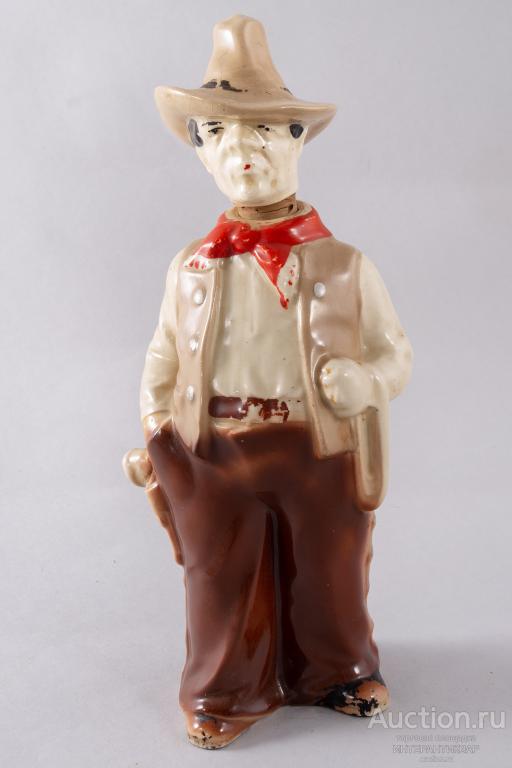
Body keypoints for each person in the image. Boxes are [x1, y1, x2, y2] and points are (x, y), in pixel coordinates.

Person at [124, 14, 412, 750]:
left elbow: (396, 354)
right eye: (218, 132)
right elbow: (161, 360)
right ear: (202, 154)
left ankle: (337, 671)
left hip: (319, 444)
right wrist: (158, 434)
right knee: (219, 577)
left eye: (259, 129)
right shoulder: (191, 268)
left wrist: (365, 381)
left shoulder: (345, 265)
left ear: (295, 140)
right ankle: (225, 692)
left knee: (330, 566)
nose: (239, 148)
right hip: (216, 447)